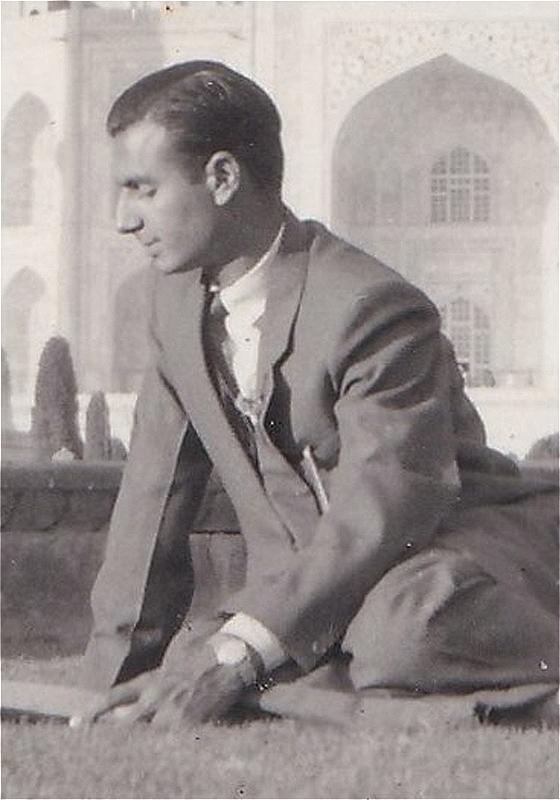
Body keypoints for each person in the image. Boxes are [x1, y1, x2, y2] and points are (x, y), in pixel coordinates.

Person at [78, 60, 558, 728]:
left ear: (221, 177)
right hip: (315, 585)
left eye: (141, 189)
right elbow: (154, 499)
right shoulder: (174, 306)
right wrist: (112, 684)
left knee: (398, 632)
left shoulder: (369, 307)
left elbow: (384, 509)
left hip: (445, 560)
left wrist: (241, 654)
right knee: (220, 651)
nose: (123, 218)